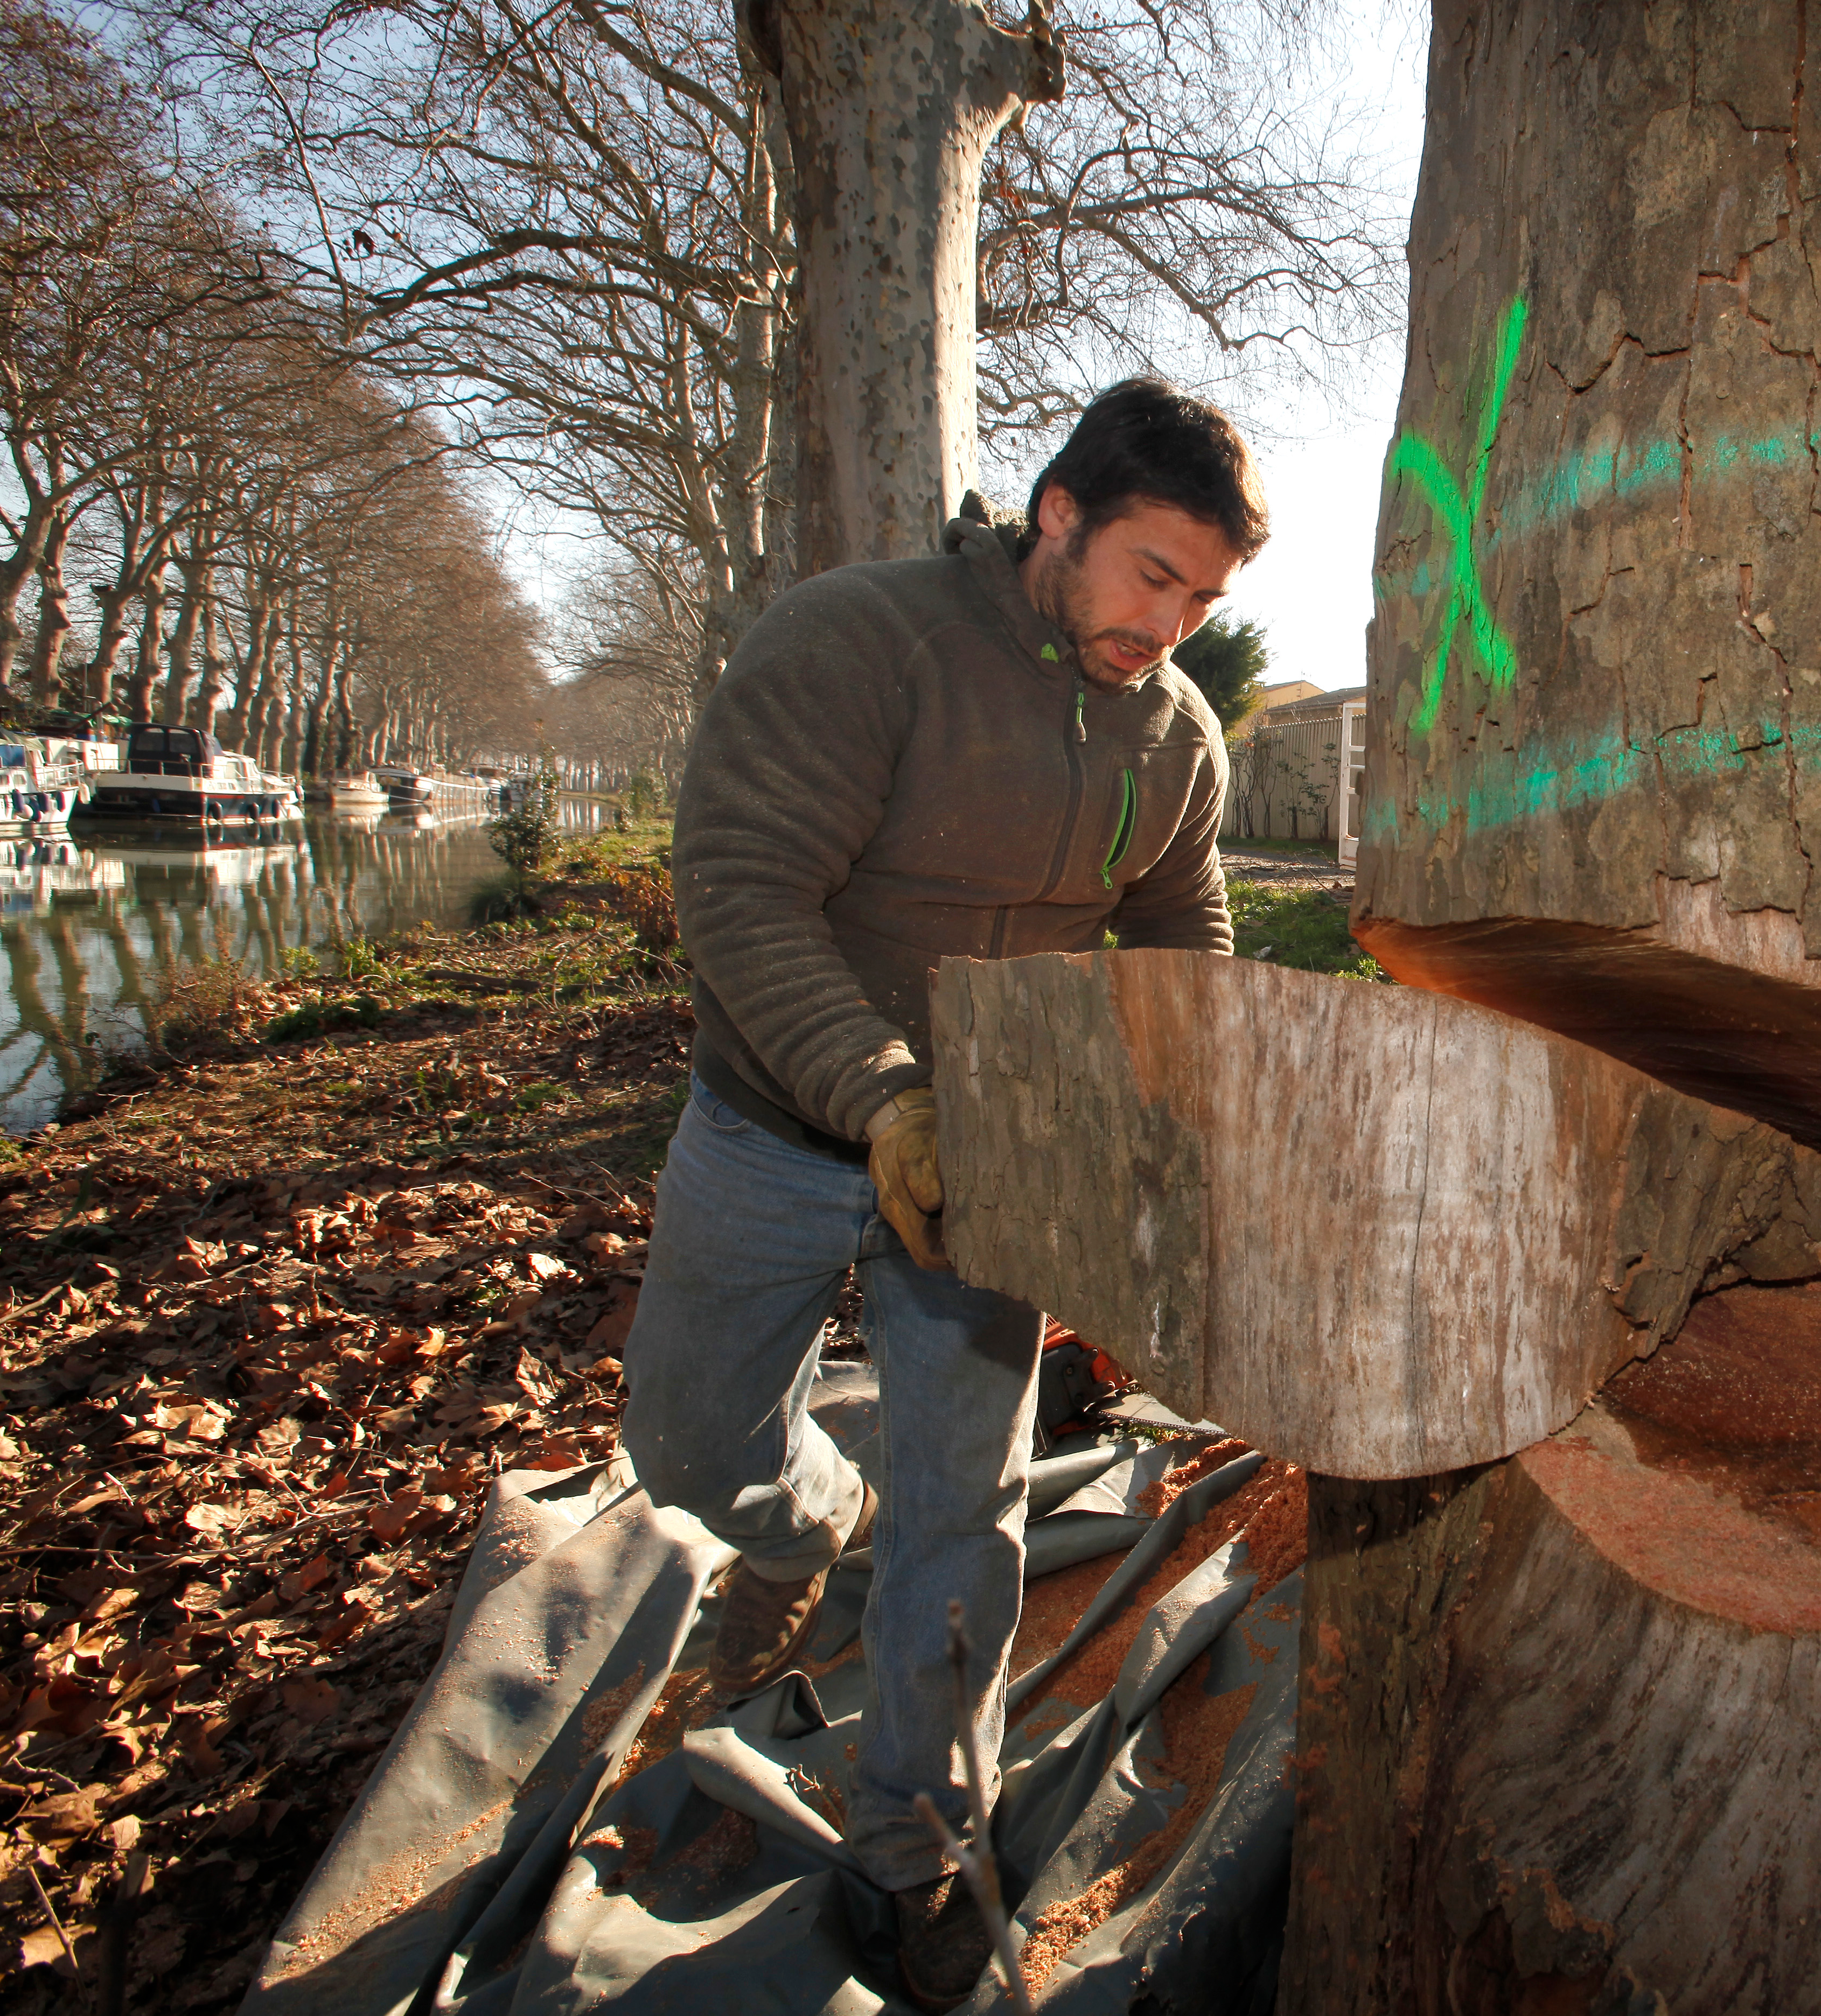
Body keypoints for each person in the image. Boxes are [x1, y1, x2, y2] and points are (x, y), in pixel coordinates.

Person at [622, 378, 1260, 2007]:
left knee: (960, 1515)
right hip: (777, 1121)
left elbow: (1186, 933)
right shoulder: (861, 641)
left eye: (1202, 598)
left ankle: (912, 1851)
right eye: (1150, 575)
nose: (1169, 625)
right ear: (1059, 515)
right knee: (685, 1452)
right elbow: (744, 887)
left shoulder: (1175, 734)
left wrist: (1181, 1116)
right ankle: (801, 1517)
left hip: (999, 1170)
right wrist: (881, 1092)